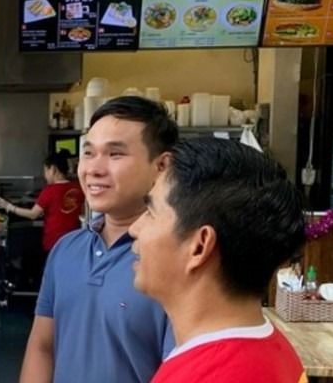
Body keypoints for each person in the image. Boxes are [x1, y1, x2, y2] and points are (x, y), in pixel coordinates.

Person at [20, 96, 177, 383]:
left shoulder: (178, 262)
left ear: (162, 166)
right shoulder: (66, 250)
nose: (94, 168)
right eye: (89, 153)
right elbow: (42, 347)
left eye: (115, 154)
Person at [128, 138, 308, 383]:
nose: (134, 229)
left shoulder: (206, 374)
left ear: (199, 246)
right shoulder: (273, 351)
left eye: (150, 213)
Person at [0, 152, 84, 253]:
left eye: (45, 170)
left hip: (54, 242)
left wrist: (9, 206)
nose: (45, 175)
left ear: (53, 169)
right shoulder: (77, 188)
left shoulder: (50, 191)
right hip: (74, 241)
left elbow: (33, 214)